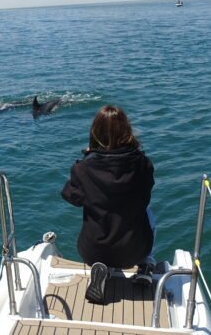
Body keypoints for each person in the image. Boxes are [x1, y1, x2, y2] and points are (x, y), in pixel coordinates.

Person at [61, 105, 156, 304]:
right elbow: (145, 195)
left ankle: (102, 266)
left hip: (93, 250)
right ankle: (146, 265)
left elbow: (71, 197)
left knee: (98, 211)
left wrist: (88, 160)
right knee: (147, 212)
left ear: (95, 132)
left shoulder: (83, 168)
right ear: (127, 131)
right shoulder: (142, 163)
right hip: (135, 250)